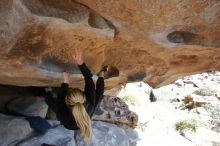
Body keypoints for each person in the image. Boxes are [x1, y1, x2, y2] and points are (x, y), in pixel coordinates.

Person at [45, 48, 107, 142]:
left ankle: (47, 93)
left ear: (66, 101)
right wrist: (66, 80)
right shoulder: (90, 104)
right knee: (98, 96)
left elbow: (60, 98)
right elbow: (89, 82)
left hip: (68, 124)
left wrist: (80, 63)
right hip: (84, 118)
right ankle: (102, 72)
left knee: (53, 104)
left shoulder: (64, 113)